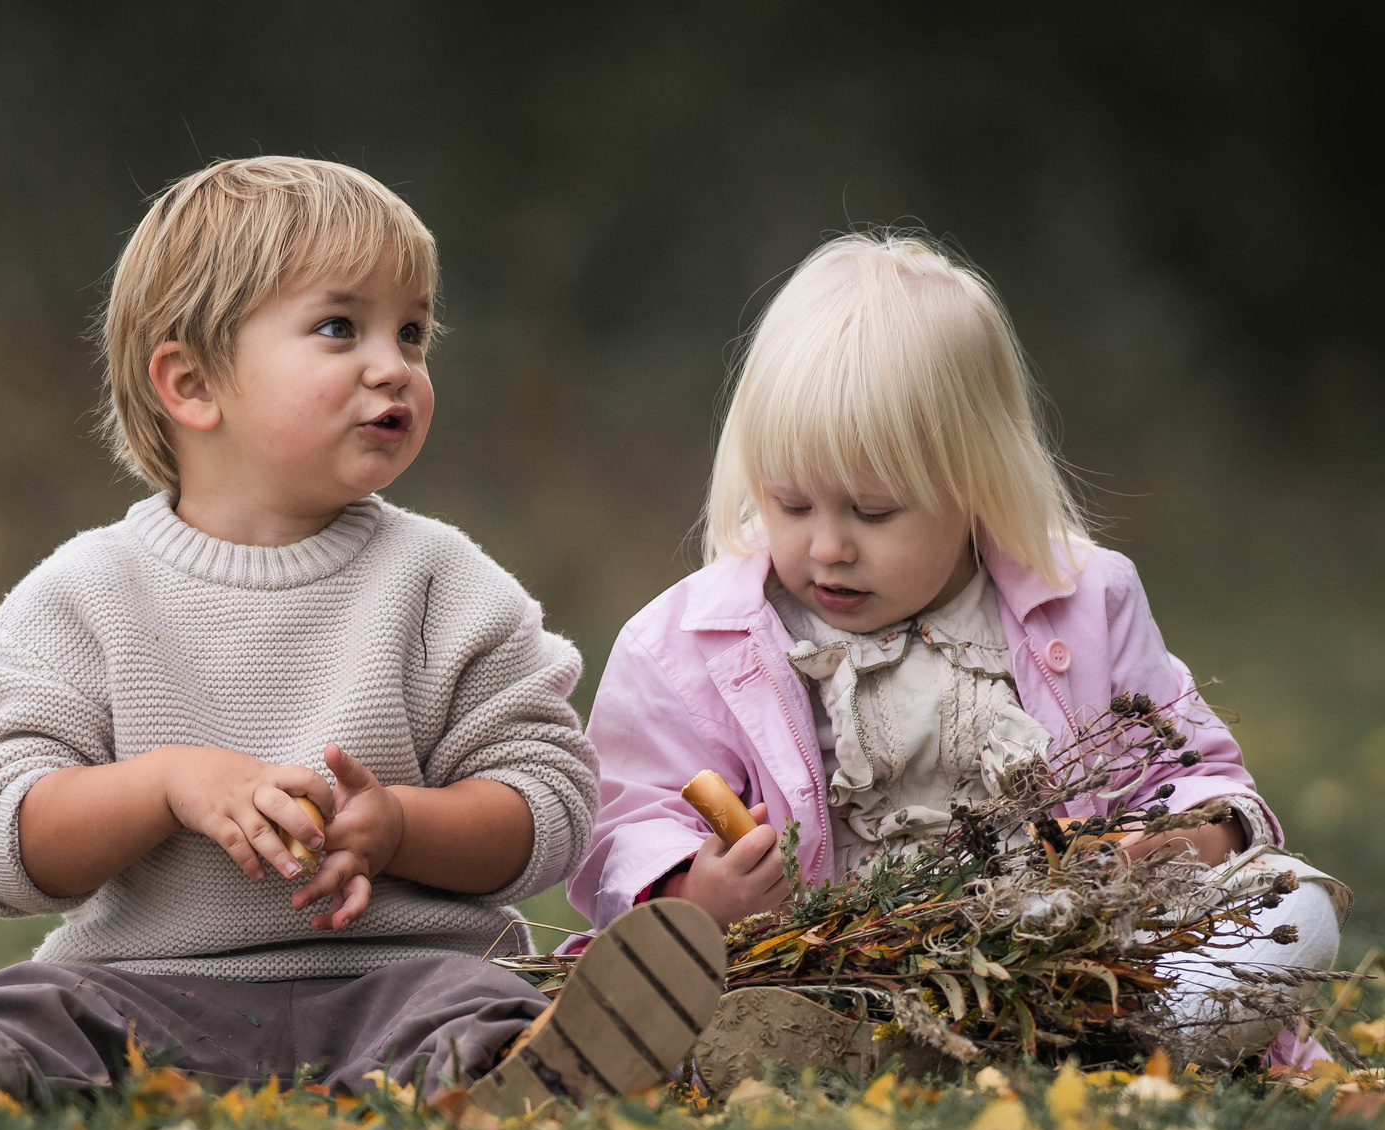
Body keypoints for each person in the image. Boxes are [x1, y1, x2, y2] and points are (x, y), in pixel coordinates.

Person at [0, 157, 723, 1110]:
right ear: (191, 384)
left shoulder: (447, 583)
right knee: (32, 1013)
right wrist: (167, 783)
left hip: (396, 982)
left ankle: (526, 1068)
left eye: (412, 331)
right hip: (143, 991)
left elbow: (548, 807)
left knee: (471, 1008)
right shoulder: (82, 596)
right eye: (340, 328)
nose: (393, 365)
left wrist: (402, 825)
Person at [572, 232, 1343, 1067]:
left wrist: (1176, 844)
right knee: (696, 997)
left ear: (975, 482)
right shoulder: (691, 642)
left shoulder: (1084, 601)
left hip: (1064, 964)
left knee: (1294, 905)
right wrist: (700, 895)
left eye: (873, 512)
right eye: (791, 504)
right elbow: (627, 818)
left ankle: (1122, 1035)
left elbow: (1197, 772)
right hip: (833, 973)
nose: (828, 547)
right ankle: (860, 1049)